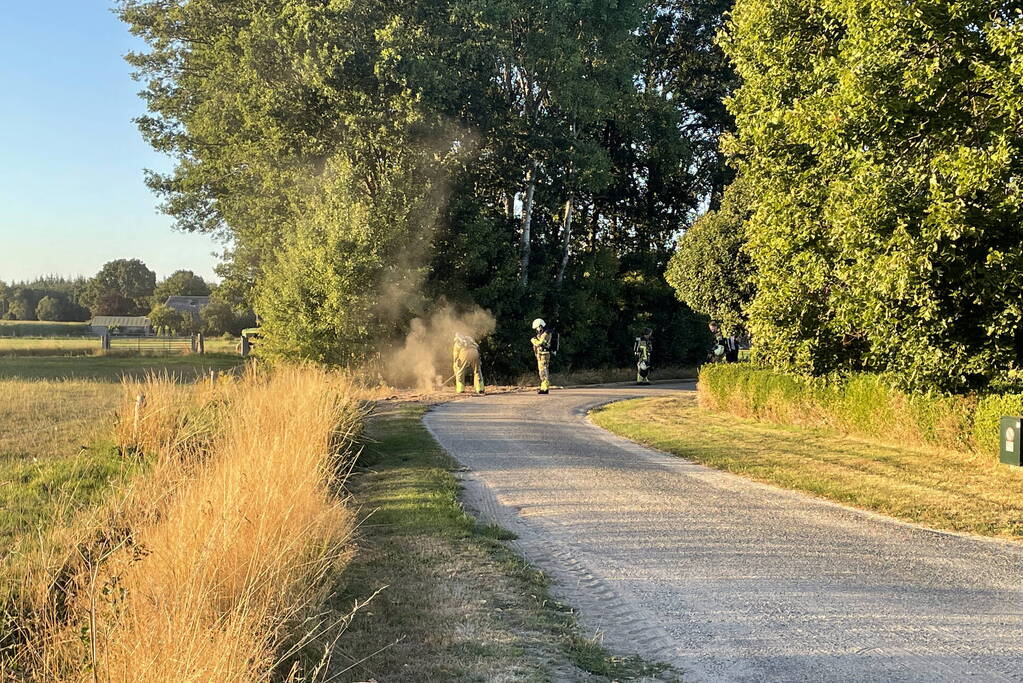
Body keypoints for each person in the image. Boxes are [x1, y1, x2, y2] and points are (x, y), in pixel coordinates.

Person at [531, 318, 554, 394]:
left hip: (544, 355)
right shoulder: (542, 333)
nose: (537, 330)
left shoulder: (546, 334)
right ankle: (543, 387)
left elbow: (541, 343)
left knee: (543, 371)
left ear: (540, 326)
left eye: (537, 328)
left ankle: (545, 388)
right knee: (541, 371)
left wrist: (534, 340)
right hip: (541, 355)